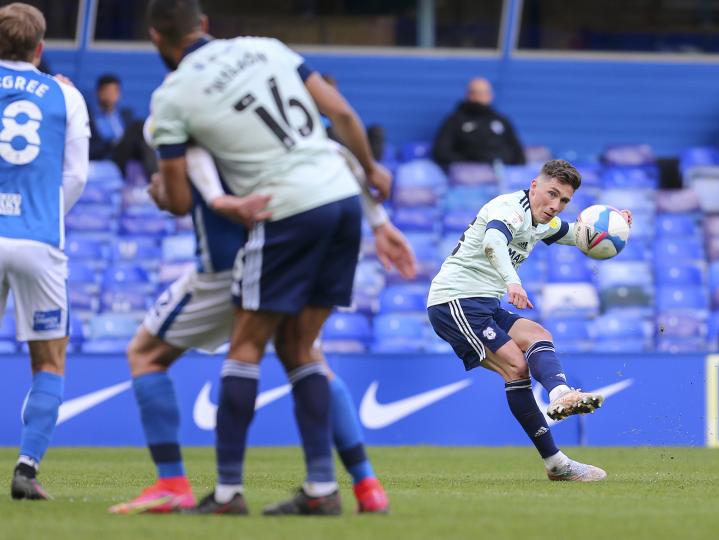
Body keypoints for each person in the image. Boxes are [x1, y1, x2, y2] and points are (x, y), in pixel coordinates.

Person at [145, 0, 393, 515]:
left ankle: (229, 493)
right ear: (205, 25)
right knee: (303, 348)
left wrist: (158, 191)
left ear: (156, 39)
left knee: (246, 346)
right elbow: (341, 112)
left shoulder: (172, 97)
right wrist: (371, 169)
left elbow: (175, 200)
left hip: (285, 209)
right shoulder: (267, 47)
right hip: (342, 200)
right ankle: (325, 490)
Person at [107, 135, 415, 513]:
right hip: (295, 250)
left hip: (230, 268)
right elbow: (340, 153)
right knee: (306, 357)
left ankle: (178, 484)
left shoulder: (193, 118)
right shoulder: (288, 126)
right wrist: (379, 221)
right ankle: (366, 484)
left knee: (146, 353)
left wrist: (162, 187)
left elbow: (179, 200)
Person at [427, 159, 632, 481]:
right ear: (534, 185)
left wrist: (615, 226)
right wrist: (513, 282)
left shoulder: (541, 222)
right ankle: (556, 463)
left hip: (483, 302)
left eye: (564, 200)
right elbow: (493, 242)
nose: (555, 206)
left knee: (538, 334)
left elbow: (579, 235)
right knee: (516, 368)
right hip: (455, 300)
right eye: (551, 194)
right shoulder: (510, 209)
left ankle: (561, 396)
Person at [0, 3, 90, 500]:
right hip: (38, 237)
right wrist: (46, 215)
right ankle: (27, 469)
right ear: (39, 49)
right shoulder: (64, 95)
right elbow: (77, 175)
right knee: (50, 359)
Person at [431, 77, 526, 168]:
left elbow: (518, 152)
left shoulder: (501, 120)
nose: (484, 96)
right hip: (471, 175)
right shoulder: (455, 121)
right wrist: (470, 163)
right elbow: (441, 152)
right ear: (469, 95)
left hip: (503, 172)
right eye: (478, 93)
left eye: (486, 92)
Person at [88, 74, 157, 175]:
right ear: (99, 93)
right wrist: (111, 143)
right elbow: (92, 149)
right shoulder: (92, 118)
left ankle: (155, 174)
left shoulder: (125, 115)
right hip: (109, 154)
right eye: (109, 91)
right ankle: (154, 175)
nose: (113, 95)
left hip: (128, 152)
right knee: (138, 126)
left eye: (115, 91)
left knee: (142, 135)